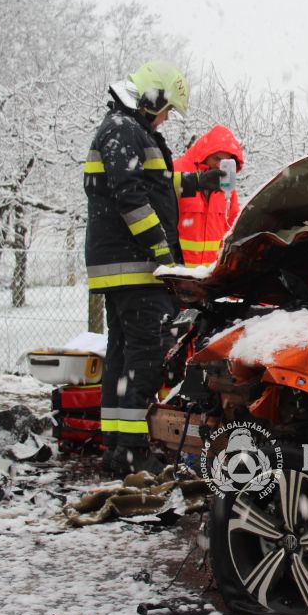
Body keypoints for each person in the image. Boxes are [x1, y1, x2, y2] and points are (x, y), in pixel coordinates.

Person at [83, 60, 224, 475]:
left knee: (123, 355)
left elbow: (157, 184)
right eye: (166, 110)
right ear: (152, 98)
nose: (166, 118)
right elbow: (131, 198)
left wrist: (202, 183)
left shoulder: (127, 130)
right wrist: (163, 254)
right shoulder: (125, 131)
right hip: (135, 267)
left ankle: (115, 446)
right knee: (144, 357)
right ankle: (129, 452)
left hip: (121, 268)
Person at [173, 125, 245, 267]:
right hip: (177, 271)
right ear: (204, 155)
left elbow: (233, 227)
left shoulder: (228, 190)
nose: (219, 166)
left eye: (225, 162)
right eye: (216, 158)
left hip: (209, 275)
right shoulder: (177, 171)